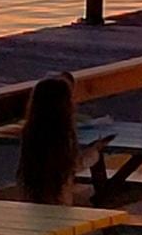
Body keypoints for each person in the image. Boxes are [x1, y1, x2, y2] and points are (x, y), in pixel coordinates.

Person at [17, 73, 100, 207]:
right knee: (96, 199)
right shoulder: (62, 134)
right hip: (60, 201)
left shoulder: (31, 131)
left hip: (32, 200)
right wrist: (94, 153)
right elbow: (72, 166)